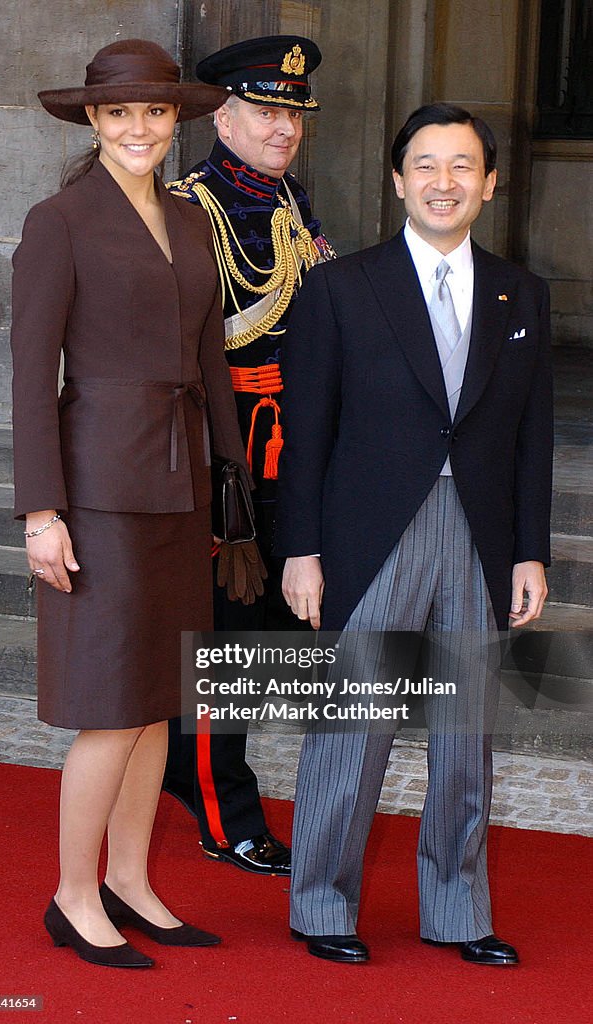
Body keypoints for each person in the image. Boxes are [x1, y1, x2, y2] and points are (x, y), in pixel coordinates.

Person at [275, 103, 553, 964]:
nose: (444, 182)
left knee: (463, 737)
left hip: (478, 533)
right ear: (397, 180)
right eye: (425, 165)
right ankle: (321, 905)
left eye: (462, 166)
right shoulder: (339, 287)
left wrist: (530, 549)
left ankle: (458, 912)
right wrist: (300, 548)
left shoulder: (520, 292)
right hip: (371, 533)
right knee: (354, 732)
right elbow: (304, 431)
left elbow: (530, 433)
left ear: (489, 183)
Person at [11, 39, 249, 969]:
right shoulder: (58, 220)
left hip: (181, 480)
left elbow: (210, 363)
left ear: (175, 120)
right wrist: (42, 510)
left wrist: (227, 483)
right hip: (99, 489)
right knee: (112, 704)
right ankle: (73, 897)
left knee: (159, 702)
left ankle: (131, 879)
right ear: (94, 121)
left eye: (154, 112)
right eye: (120, 113)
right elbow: (32, 377)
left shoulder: (193, 222)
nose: (139, 128)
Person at [162, 36, 335, 874]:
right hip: (224, 462)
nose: (283, 128)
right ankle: (224, 814)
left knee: (262, 635)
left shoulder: (288, 200)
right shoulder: (189, 209)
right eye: (266, 111)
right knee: (225, 645)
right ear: (221, 115)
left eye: (293, 114)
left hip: (289, 456)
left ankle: (174, 761)